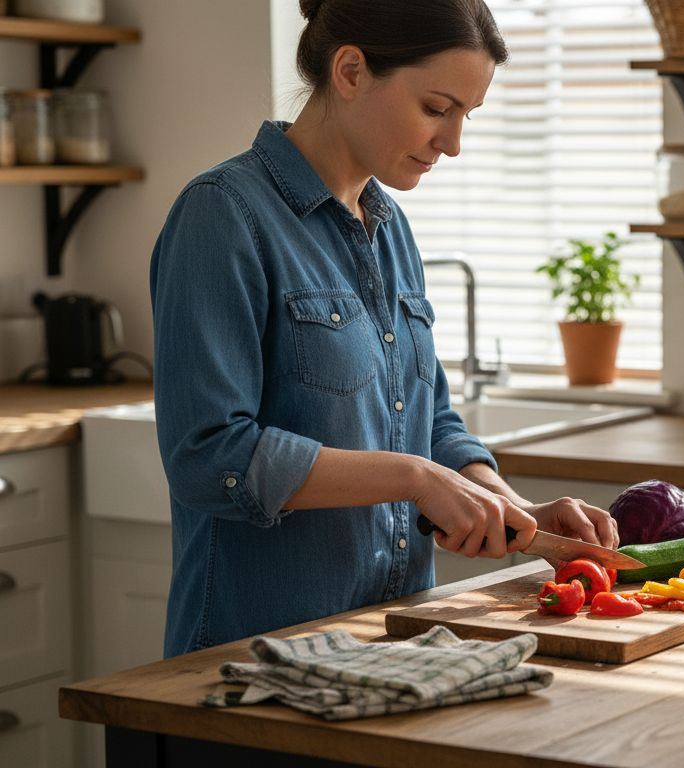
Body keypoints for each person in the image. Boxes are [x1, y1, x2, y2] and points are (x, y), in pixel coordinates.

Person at [151, 0, 618, 658]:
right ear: (350, 70)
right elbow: (208, 460)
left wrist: (516, 513)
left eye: (466, 116)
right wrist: (414, 477)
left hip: (395, 648)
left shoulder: (391, 230)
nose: (453, 142)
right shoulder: (223, 217)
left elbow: (430, 426)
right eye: (437, 108)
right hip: (254, 663)